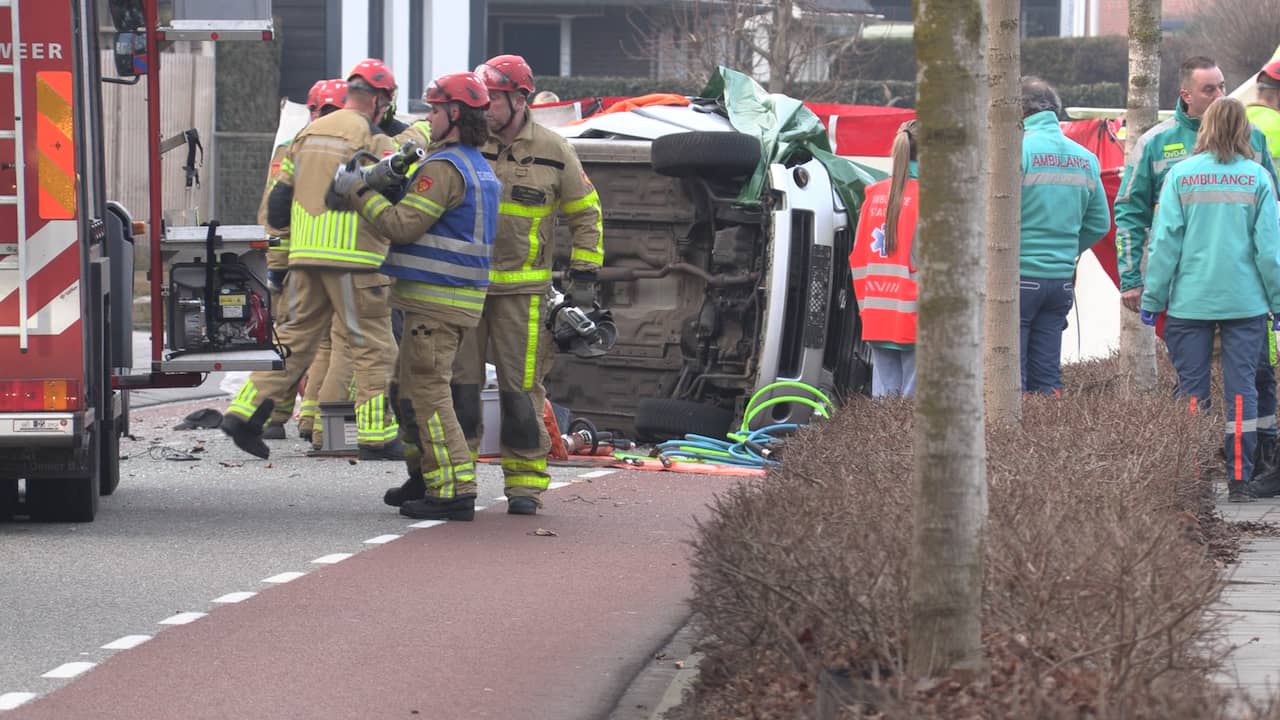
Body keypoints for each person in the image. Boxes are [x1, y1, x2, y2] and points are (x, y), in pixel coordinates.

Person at [333, 72, 500, 520]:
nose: (428, 117)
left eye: (434, 109)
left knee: (427, 394)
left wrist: (360, 192)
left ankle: (453, 490)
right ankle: (424, 475)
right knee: (405, 391)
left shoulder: (445, 169)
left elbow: (403, 226)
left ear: (455, 114)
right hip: (447, 300)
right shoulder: (475, 164)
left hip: (436, 303)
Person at [221, 59, 404, 461]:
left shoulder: (305, 135)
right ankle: (377, 435)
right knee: (373, 347)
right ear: (379, 100)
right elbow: (389, 199)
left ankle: (243, 412)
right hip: (356, 261)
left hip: (305, 258)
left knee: (294, 341)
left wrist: (302, 241)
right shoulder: (373, 139)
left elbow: (279, 205)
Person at [451, 54, 604, 516]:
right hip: (465, 290)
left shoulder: (556, 150)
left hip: (524, 297)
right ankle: (456, 483)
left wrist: (584, 278)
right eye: (479, 99)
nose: (484, 107)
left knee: (521, 393)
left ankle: (525, 488)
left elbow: (587, 215)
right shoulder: (464, 144)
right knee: (459, 389)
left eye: (493, 99)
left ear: (519, 98)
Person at [1116, 55, 1280, 477]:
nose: (1221, 94)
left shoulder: (1246, 145)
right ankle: (1234, 475)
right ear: (1185, 94)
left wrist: (1153, 292)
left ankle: (1215, 472)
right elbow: (1130, 214)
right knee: (1237, 386)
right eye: (1210, 88)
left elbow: (1169, 239)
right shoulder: (1156, 143)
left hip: (1188, 295)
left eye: (1223, 86)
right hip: (1235, 297)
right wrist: (1133, 280)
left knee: (1228, 384)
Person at [257, 78, 353, 443]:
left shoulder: (291, 147)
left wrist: (277, 266)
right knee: (325, 345)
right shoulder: (353, 147)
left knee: (292, 341)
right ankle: (310, 423)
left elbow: (274, 213)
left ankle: (276, 416)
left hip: (298, 261)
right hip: (332, 262)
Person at [1018, 77, 1111, 394]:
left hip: (1015, 280)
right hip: (1059, 280)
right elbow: (1100, 223)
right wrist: (1067, 249)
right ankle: (1048, 440)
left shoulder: (1013, 152)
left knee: (1007, 381)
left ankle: (1008, 444)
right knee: (1046, 378)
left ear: (1019, 111)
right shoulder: (1085, 158)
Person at [849, 120, 920, 397]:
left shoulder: (873, 195)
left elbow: (857, 255)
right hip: (916, 315)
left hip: (877, 314)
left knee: (884, 409)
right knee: (913, 410)